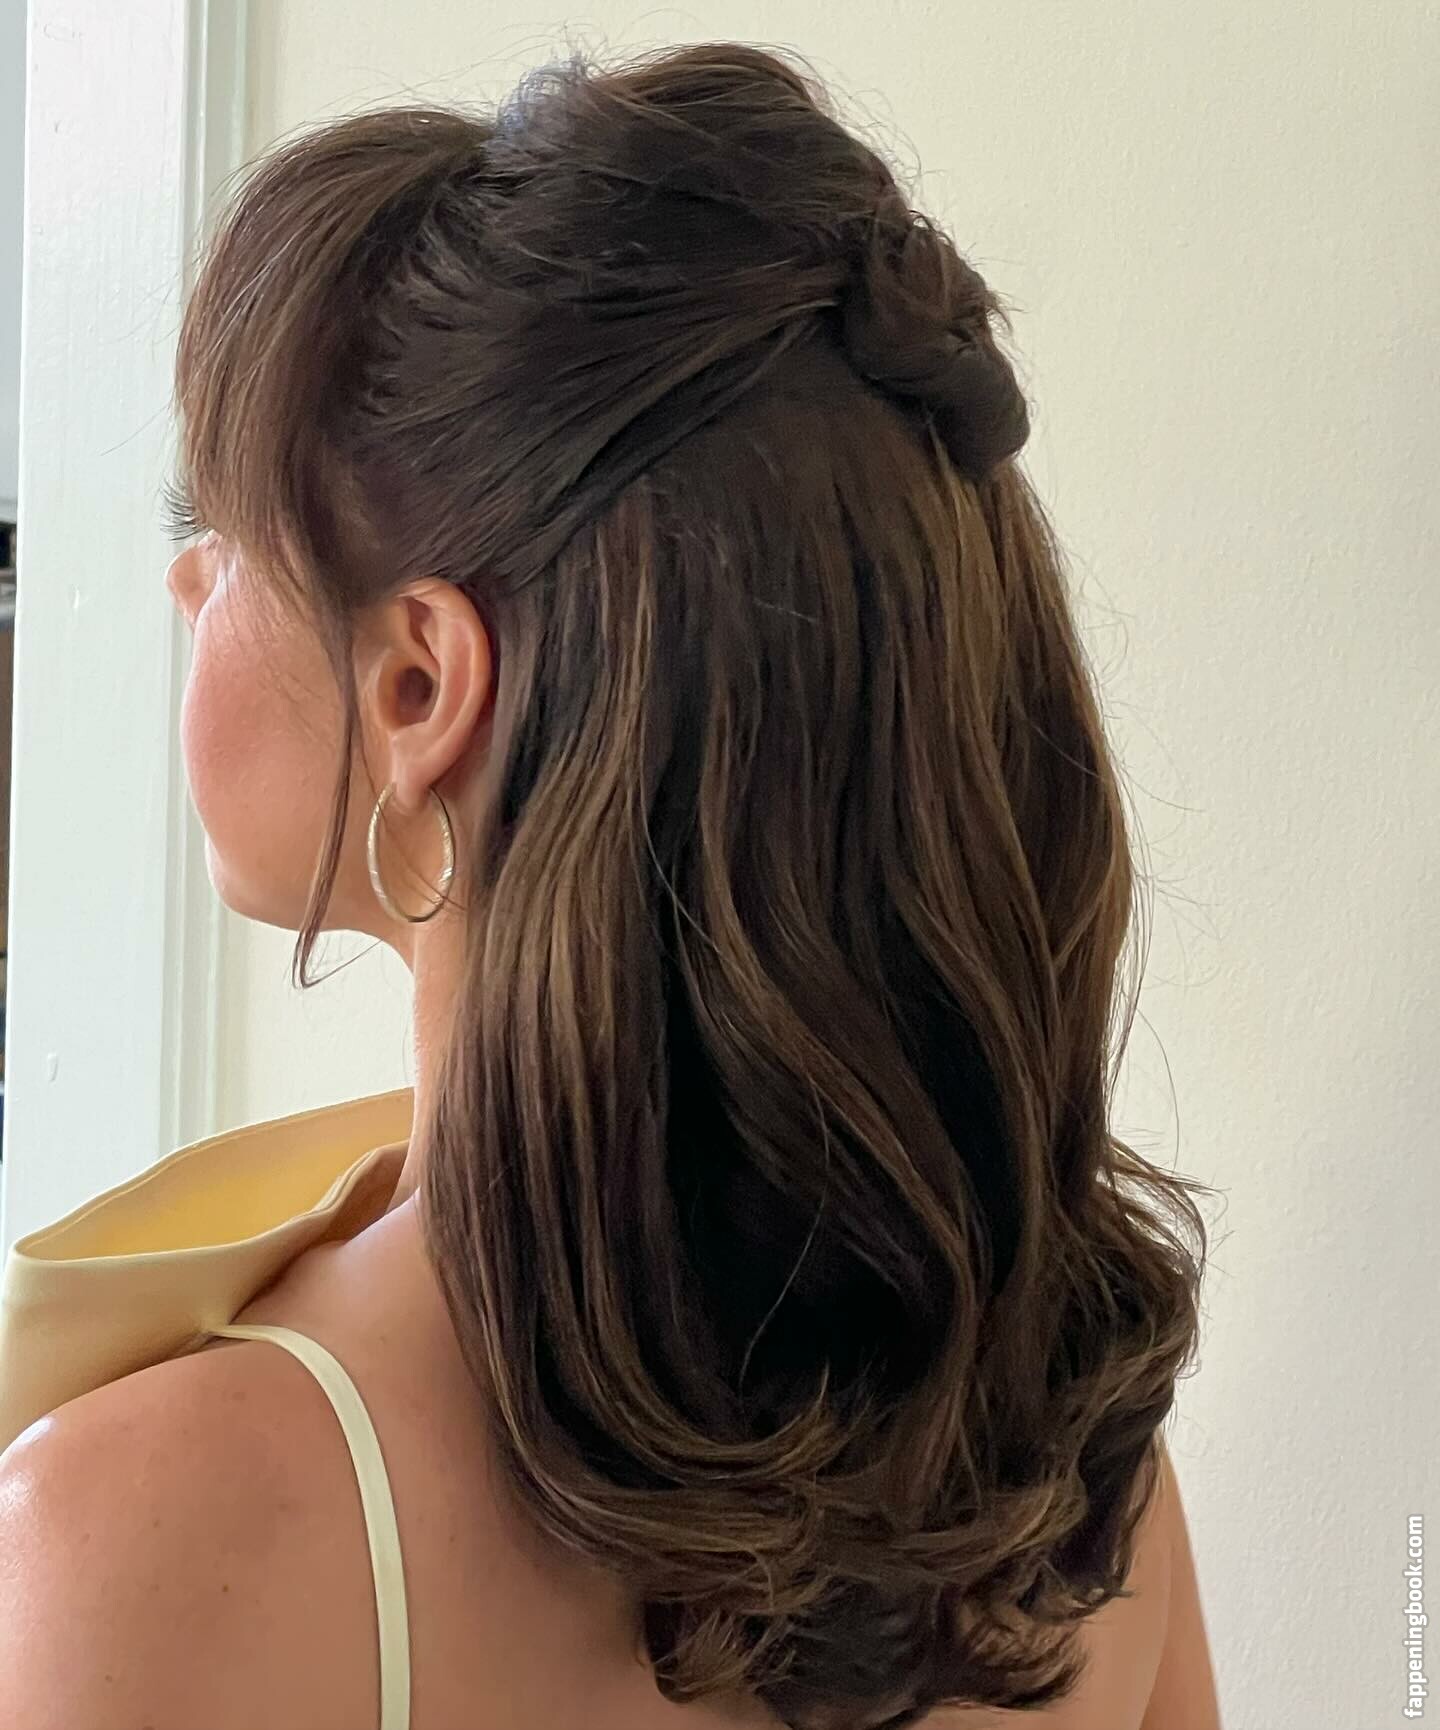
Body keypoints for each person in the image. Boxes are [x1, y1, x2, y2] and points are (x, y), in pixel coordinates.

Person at [0, 41, 1221, 1730]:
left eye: (216, 523)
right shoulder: (1071, 1488)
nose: (186, 581)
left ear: (420, 684)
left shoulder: (133, 1530)